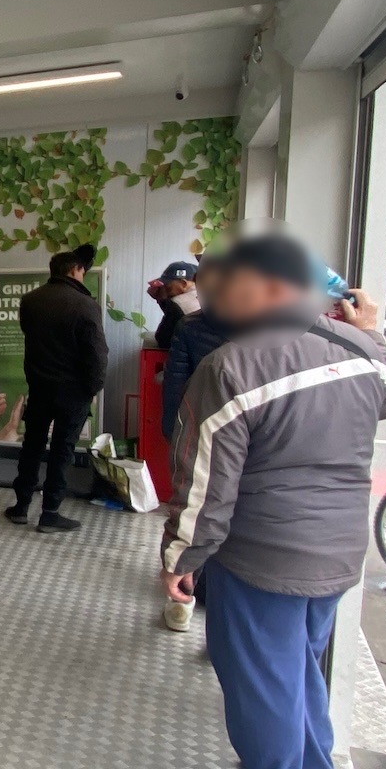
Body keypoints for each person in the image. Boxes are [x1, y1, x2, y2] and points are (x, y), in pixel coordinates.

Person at [160, 235, 386, 769]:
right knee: (299, 668)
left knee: (262, 680)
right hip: (341, 550)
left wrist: (181, 559)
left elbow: (205, 487)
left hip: (262, 556)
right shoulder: (358, 348)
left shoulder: (233, 368)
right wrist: (373, 332)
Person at [6, 249, 108, 532]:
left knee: (32, 446)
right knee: (62, 450)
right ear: (75, 269)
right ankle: (50, 512)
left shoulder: (31, 301)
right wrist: (92, 387)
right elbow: (97, 354)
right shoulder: (86, 305)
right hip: (73, 392)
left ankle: (21, 506)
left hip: (39, 387)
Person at [157, 259, 232, 632]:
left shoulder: (191, 326)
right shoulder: (277, 329)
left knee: (196, 508)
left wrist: (174, 433)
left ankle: (184, 594)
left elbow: (175, 384)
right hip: (251, 443)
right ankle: (220, 609)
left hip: (201, 433)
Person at [148, 259, 202, 351]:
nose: (165, 291)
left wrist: (162, 300)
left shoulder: (177, 302)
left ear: (184, 284)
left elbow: (163, 339)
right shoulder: (209, 296)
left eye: (168, 288)